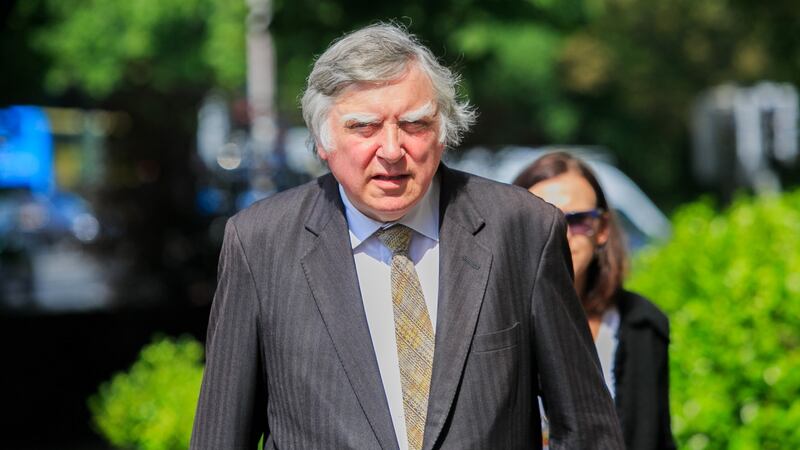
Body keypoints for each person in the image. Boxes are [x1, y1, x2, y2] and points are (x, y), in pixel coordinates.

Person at [190, 24, 624, 449]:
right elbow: (222, 435)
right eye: (364, 127)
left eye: (415, 124)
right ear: (323, 141)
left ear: (442, 132)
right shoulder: (260, 245)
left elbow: (587, 427)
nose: (393, 149)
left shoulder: (522, 229)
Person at [513, 152, 676, 450]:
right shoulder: (487, 319)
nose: (559, 234)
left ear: (602, 230)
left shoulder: (641, 324)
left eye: (576, 221)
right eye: (541, 220)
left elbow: (657, 438)